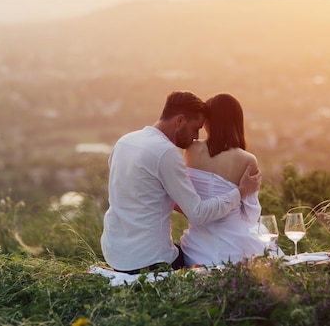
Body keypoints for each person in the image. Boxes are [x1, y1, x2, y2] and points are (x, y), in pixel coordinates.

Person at [100, 91, 262, 274]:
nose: (195, 136)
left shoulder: (125, 141)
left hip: (115, 253)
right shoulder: (166, 152)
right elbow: (198, 214)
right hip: (150, 260)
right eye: (195, 128)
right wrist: (240, 192)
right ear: (179, 121)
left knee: (193, 248)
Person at [180, 93, 267, 266]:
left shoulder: (190, 150)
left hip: (197, 249)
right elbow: (251, 214)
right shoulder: (247, 160)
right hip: (234, 248)